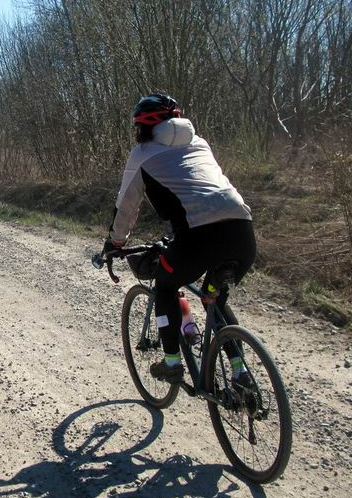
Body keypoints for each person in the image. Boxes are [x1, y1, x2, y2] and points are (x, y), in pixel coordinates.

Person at [102, 93, 255, 385]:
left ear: (142, 128)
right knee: (214, 296)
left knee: (165, 286)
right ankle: (240, 371)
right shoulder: (200, 143)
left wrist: (115, 242)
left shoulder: (143, 154)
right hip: (241, 232)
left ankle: (172, 362)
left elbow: (126, 206)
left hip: (197, 239)